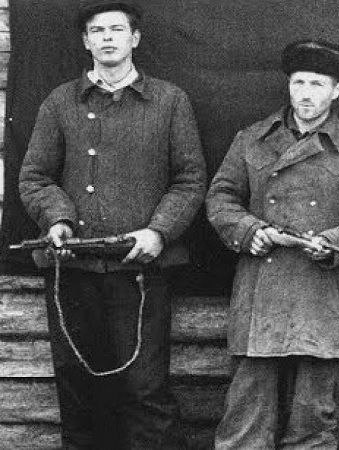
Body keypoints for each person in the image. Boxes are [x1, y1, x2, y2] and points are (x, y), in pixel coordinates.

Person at [18, 1, 207, 448]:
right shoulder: (60, 101)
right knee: (79, 387)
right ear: (85, 41)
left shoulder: (169, 101)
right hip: (73, 270)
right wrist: (58, 220)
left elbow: (190, 180)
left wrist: (158, 232)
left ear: (134, 38)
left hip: (139, 271)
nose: (107, 38)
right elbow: (35, 177)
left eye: (117, 29)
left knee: (144, 388)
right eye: (97, 30)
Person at [206, 39, 339, 449]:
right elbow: (221, 198)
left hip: (322, 291)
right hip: (261, 291)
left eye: (317, 84)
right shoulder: (252, 139)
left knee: (312, 421)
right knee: (246, 421)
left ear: (337, 90)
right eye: (298, 82)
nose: (306, 93)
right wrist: (250, 231)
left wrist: (332, 242)